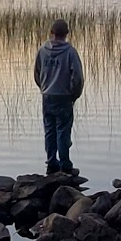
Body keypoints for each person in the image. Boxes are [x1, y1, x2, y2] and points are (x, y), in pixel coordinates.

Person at [33, 16, 84, 176]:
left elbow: (37, 73)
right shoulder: (70, 52)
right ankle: (65, 165)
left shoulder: (42, 50)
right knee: (63, 131)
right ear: (67, 33)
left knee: (49, 131)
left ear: (51, 32)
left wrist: (44, 88)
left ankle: (51, 163)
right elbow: (78, 77)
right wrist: (74, 95)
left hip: (47, 95)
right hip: (63, 96)